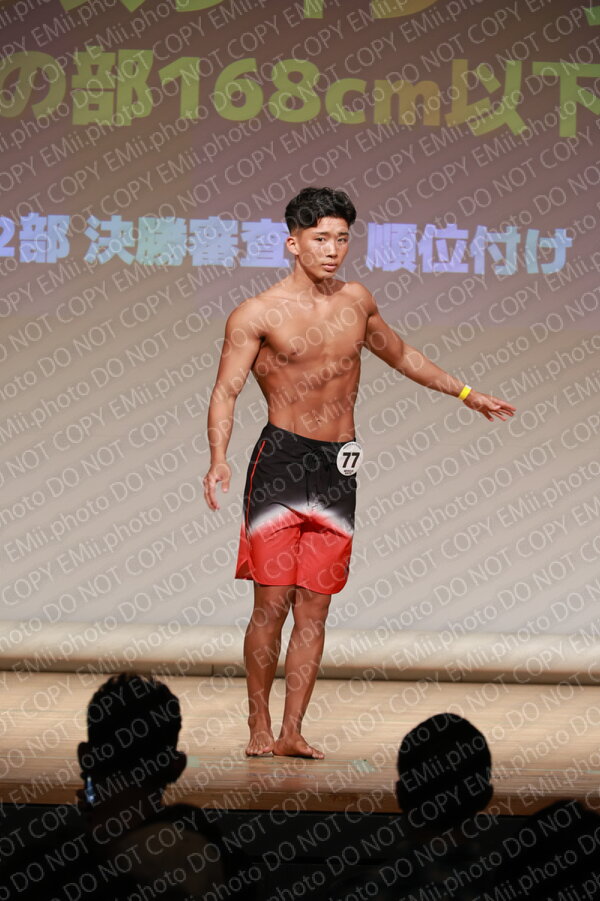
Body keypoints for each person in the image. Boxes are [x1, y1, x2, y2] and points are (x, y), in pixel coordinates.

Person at [203, 187, 516, 759]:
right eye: (320, 238)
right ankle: (259, 723)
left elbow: (402, 354)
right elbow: (226, 390)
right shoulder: (257, 313)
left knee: (315, 606)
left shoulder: (357, 300)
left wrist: (466, 393)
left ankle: (293, 730)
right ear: (293, 243)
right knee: (271, 604)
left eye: (342, 238)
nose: (332, 249)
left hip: (338, 466)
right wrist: (218, 456)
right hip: (281, 461)